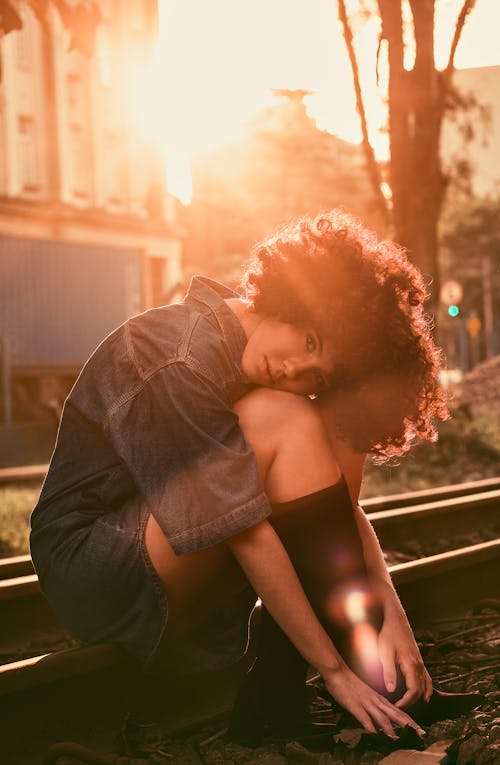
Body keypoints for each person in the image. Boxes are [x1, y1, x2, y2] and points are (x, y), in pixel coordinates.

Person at [30, 208, 477, 743]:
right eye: (309, 343)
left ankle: (299, 691)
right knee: (288, 416)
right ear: (291, 298)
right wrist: (334, 673)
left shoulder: (247, 358)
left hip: (166, 544)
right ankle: (345, 680)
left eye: (317, 371)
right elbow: (245, 530)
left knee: (327, 423)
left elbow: (334, 511)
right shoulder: (176, 358)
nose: (293, 370)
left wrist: (389, 608)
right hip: (92, 565)